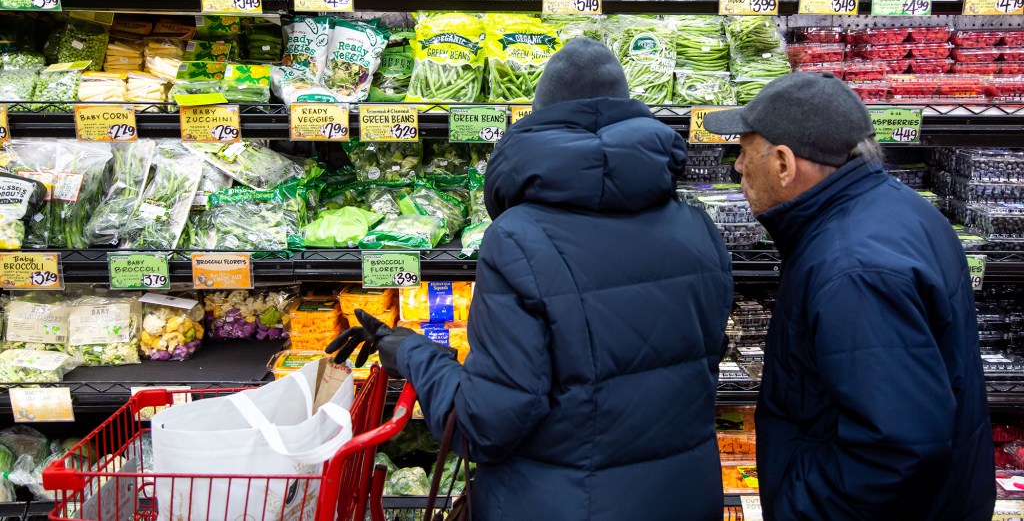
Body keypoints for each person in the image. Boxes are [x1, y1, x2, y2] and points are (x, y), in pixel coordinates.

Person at [330, 37, 734, 521]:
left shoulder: (519, 239)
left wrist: (411, 353)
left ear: (540, 119)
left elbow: (486, 423)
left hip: (561, 503)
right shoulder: (699, 231)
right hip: (685, 498)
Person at [703, 71, 994, 521]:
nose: (738, 168)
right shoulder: (899, 207)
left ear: (783, 163)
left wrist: (802, 504)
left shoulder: (853, 268)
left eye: (744, 153)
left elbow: (896, 450)